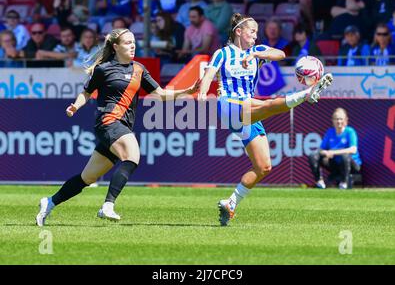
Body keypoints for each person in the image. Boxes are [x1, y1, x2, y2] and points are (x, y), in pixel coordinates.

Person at [35, 28, 200, 226]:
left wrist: (189, 91)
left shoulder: (139, 69)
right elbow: (86, 93)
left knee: (87, 178)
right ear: (115, 47)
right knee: (132, 156)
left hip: (122, 125)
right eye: (128, 42)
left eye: (133, 42)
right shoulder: (103, 69)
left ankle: (50, 202)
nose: (133, 46)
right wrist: (75, 106)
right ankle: (108, 206)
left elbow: (161, 94)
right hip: (108, 121)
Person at [198, 13, 334, 226]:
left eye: (256, 33)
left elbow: (279, 53)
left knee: (264, 167)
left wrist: (255, 55)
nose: (255, 35)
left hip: (249, 109)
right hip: (229, 105)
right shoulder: (222, 53)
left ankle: (230, 203)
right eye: (252, 31)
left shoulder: (257, 51)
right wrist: (202, 95)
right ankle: (307, 95)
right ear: (238, 32)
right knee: (267, 105)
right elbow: (207, 76)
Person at [308, 108, 362, 189]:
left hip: (352, 164)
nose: (339, 121)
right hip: (335, 164)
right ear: (332, 120)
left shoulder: (350, 131)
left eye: (341, 119)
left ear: (346, 120)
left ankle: (344, 183)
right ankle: (319, 182)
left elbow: (353, 149)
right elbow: (321, 149)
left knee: (345, 156)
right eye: (336, 119)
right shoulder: (330, 132)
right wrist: (325, 153)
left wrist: (333, 152)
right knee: (313, 155)